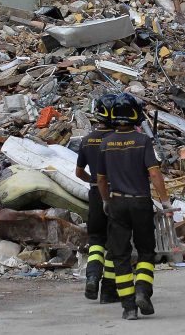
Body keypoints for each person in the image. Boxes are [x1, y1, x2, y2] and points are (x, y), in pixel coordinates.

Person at [96, 94, 172, 321]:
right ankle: (142, 290)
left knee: (120, 255)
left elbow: (101, 179)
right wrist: (165, 201)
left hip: (117, 202)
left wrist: (105, 200)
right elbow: (154, 173)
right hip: (140, 202)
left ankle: (129, 307)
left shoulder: (106, 143)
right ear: (135, 115)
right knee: (146, 250)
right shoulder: (143, 141)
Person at [75, 95, 117, 303]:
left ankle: (91, 277)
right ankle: (108, 290)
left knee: (96, 240)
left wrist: (93, 181)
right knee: (116, 242)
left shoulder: (87, 140)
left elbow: (78, 172)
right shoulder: (118, 140)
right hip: (116, 194)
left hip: (94, 193)